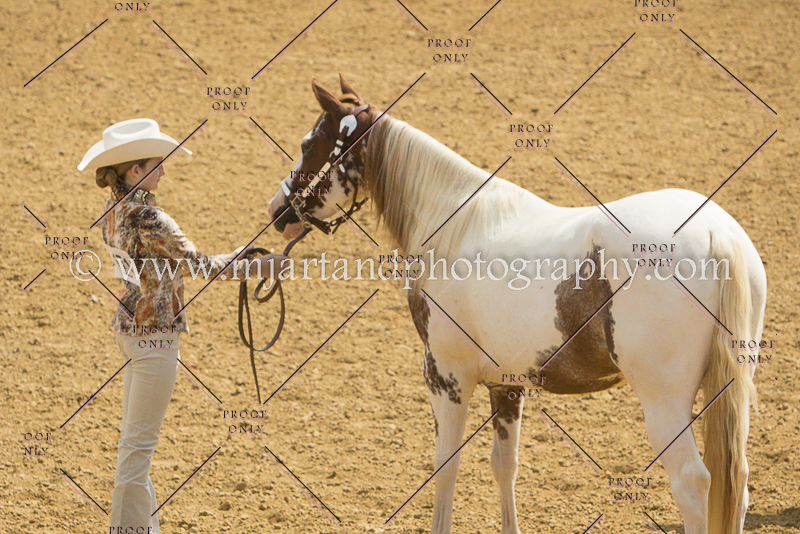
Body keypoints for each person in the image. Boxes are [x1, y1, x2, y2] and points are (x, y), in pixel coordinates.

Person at [78, 118, 283, 532]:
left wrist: (239, 256)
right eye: (157, 164)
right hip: (155, 338)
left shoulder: (114, 210)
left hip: (130, 331)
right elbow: (202, 266)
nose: (164, 171)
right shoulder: (150, 217)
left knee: (134, 447)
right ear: (136, 170)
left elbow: (174, 264)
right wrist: (258, 266)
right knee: (137, 452)